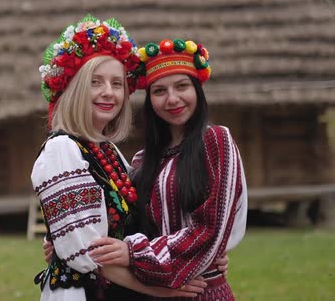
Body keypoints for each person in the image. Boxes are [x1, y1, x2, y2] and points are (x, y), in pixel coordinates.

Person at [32, 16, 207, 301]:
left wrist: (199, 254)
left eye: (117, 83)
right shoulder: (62, 150)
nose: (109, 93)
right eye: (95, 82)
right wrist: (163, 290)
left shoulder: (107, 150)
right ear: (75, 89)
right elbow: (88, 254)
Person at [88, 39, 248, 300]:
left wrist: (134, 253)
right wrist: (65, 238)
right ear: (149, 100)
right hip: (155, 293)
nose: (172, 99)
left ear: (197, 90)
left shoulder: (216, 141)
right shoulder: (142, 162)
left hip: (202, 292)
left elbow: (210, 231)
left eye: (182, 86)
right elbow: (119, 220)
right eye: (159, 91)